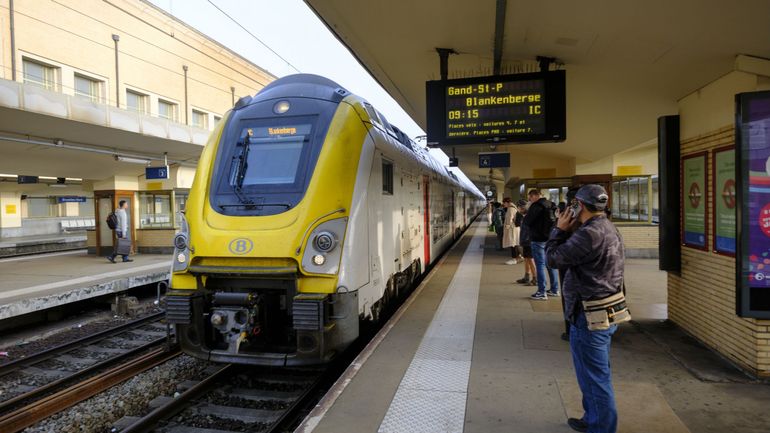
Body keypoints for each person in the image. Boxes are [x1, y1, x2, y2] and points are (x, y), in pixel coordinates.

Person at [545, 185, 624, 433]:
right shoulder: (608, 228)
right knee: (595, 375)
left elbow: (553, 258)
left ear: (579, 204)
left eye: (573, 204)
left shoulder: (589, 234)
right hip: (605, 310)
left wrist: (559, 229)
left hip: (589, 315)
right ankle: (593, 419)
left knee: (594, 379)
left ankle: (601, 427)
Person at [523, 189, 559, 299]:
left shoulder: (536, 206)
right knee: (550, 264)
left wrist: (528, 211)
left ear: (534, 196)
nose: (529, 199)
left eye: (530, 197)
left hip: (538, 239)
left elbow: (527, 222)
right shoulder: (551, 204)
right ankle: (554, 290)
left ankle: (541, 292)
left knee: (540, 265)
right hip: (550, 238)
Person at [515, 200, 536, 285]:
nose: (519, 209)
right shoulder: (525, 216)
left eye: (519, 207)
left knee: (531, 259)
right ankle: (527, 276)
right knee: (527, 259)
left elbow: (528, 230)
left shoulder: (528, 216)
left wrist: (526, 240)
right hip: (526, 241)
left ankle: (535, 279)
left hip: (529, 241)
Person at [501, 198, 519, 265]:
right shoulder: (514, 207)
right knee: (514, 243)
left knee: (512, 243)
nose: (503, 204)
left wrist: (506, 227)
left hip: (511, 229)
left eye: (504, 203)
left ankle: (514, 259)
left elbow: (509, 219)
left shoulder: (510, 208)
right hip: (514, 228)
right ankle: (518, 257)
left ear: (507, 202)